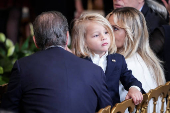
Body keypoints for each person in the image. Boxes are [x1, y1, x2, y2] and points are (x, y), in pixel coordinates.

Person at [1, 11, 113, 113]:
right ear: (67, 37)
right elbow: (108, 109)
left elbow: (8, 110)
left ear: (35, 41)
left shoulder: (23, 66)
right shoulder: (95, 70)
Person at [71, 12, 144, 106]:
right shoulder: (78, 62)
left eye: (106, 32)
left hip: (112, 109)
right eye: (96, 35)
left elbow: (131, 80)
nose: (104, 37)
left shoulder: (118, 59)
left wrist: (134, 88)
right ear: (84, 41)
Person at [107, 7, 166, 112]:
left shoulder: (125, 65)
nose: (108, 34)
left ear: (131, 33)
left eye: (115, 28)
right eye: (106, 28)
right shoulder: (146, 59)